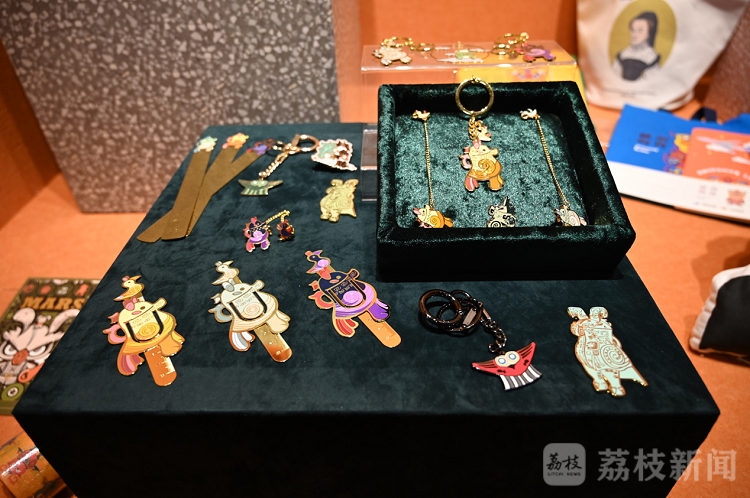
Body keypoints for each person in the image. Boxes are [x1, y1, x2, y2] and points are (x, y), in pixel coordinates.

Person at [613, 12, 660, 81]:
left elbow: (650, 81)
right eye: (632, 30)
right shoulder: (624, 53)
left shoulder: (652, 57)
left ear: (649, 34)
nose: (634, 35)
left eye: (640, 31)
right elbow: (614, 74)